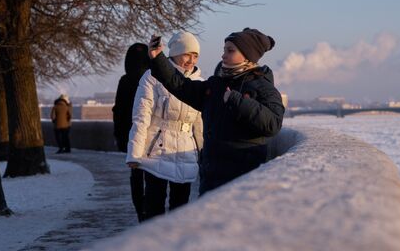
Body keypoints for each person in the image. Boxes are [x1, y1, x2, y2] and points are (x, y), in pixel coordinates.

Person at [147, 28, 284, 195]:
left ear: (247, 55)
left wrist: (237, 101)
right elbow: (182, 86)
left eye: (230, 50)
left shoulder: (263, 87)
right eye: (224, 50)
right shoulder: (216, 85)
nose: (223, 55)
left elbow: (273, 124)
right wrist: (158, 58)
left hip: (243, 180)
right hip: (211, 177)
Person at [126, 31, 204, 220]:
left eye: (195, 56)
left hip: (185, 153)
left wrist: (203, 153)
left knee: (180, 210)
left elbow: (199, 124)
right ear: (175, 53)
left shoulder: (199, 83)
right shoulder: (152, 77)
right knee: (154, 208)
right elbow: (141, 117)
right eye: (187, 54)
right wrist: (135, 154)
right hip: (156, 152)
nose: (191, 60)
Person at [112, 42, 150, 222]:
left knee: (136, 175)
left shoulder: (125, 80)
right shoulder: (153, 78)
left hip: (130, 135)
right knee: (153, 175)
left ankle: (140, 210)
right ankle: (151, 210)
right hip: (151, 134)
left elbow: (118, 111)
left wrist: (119, 136)